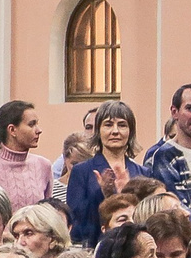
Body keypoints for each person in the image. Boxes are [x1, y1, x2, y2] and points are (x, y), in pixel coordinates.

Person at [63, 99, 150, 248]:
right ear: (99, 131)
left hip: (135, 250)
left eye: (122, 125)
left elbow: (149, 218)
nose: (115, 131)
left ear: (130, 131)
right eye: (108, 125)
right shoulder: (81, 171)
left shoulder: (143, 173)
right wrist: (103, 194)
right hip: (94, 249)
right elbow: (76, 222)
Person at [0, 100, 52, 214]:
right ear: (12, 130)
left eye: (37, 124)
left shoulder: (44, 165)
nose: (39, 130)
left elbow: (48, 213)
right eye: (31, 124)